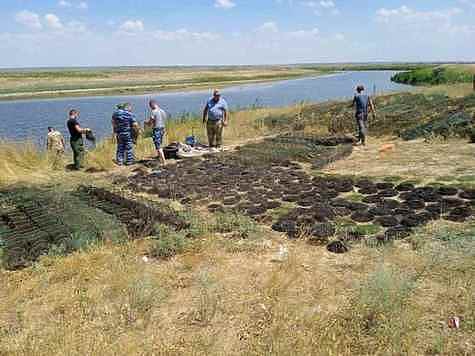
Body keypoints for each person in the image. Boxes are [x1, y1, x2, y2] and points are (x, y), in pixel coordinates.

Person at [147, 99, 167, 165]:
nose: (150, 108)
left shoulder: (153, 111)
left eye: (150, 106)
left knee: (158, 146)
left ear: (152, 105)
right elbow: (164, 119)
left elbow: (150, 122)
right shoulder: (162, 111)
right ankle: (159, 159)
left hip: (157, 129)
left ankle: (164, 161)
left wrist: (146, 123)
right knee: (160, 144)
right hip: (163, 129)